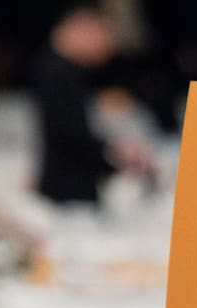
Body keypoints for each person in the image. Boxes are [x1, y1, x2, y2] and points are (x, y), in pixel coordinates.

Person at [32, 3, 149, 208]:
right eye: (103, 33)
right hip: (67, 195)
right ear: (82, 27)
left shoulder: (64, 71)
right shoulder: (58, 74)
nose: (107, 44)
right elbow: (73, 137)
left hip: (69, 190)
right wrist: (116, 156)